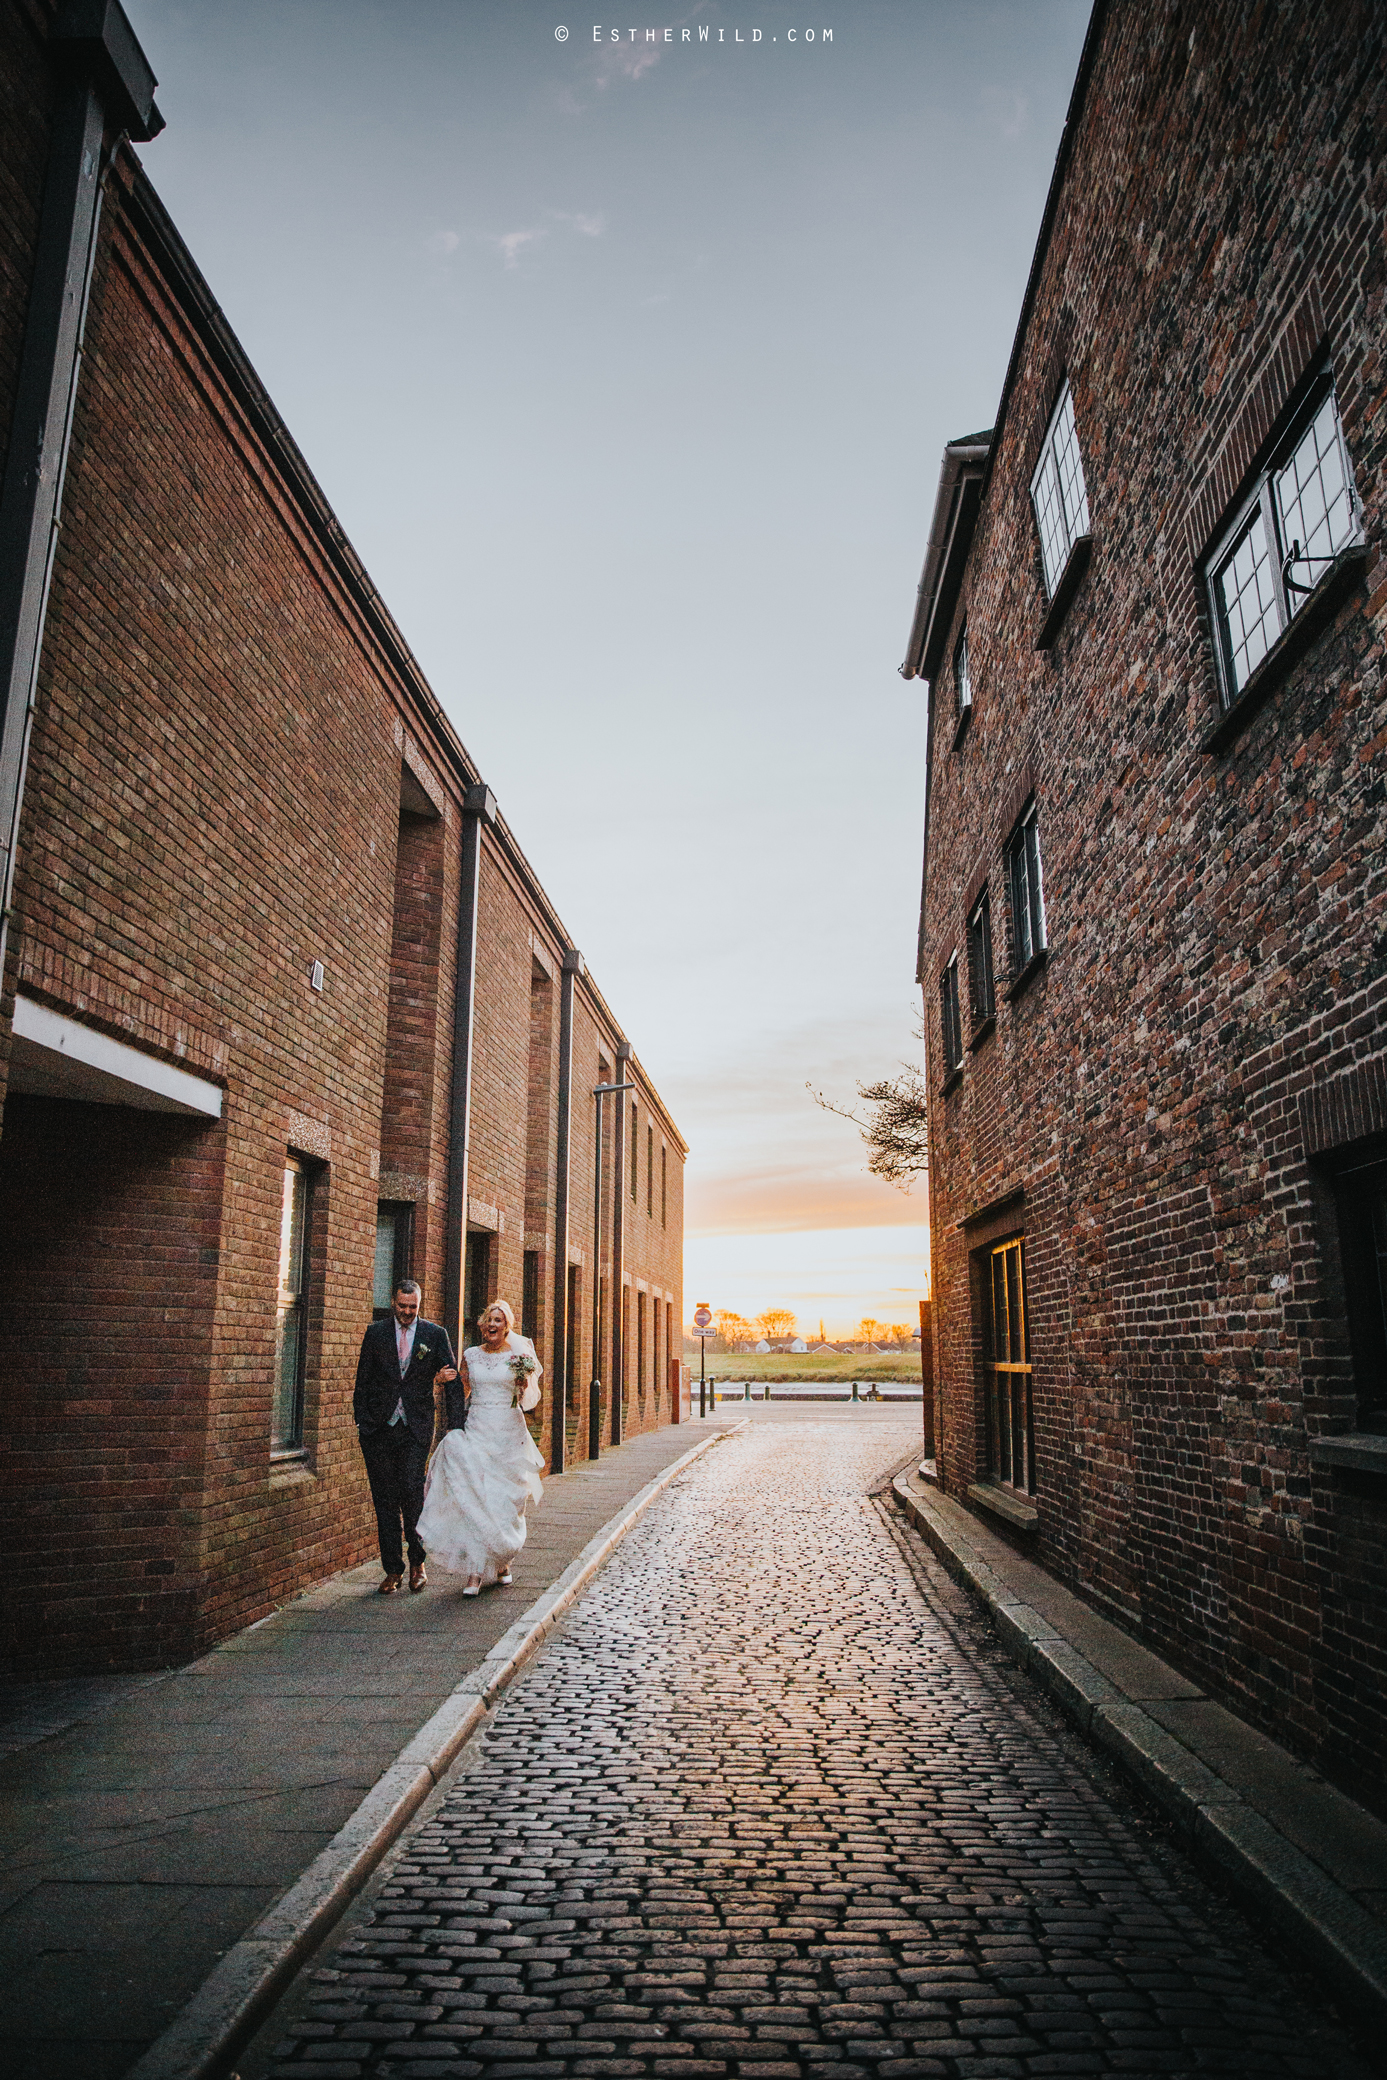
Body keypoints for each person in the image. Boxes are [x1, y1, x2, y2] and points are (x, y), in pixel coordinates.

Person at [416, 1298, 544, 1595]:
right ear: (482, 1324)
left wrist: (524, 1386)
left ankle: (501, 1562)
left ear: (506, 1326)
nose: (492, 1325)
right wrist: (439, 1383)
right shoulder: (471, 1356)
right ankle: (474, 1571)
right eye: (489, 1320)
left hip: (509, 1433)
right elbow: (460, 1391)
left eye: (498, 1321)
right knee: (477, 1497)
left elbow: (526, 1400)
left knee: (505, 1501)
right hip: (478, 1429)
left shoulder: (517, 1356)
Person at [353, 1278, 461, 1595]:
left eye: (413, 1308)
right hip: (378, 1430)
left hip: (415, 1428)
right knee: (384, 1500)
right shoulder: (375, 1334)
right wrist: (363, 1423)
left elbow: (452, 1378)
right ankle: (392, 1570)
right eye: (402, 1307)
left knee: (412, 1494)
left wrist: (456, 1427)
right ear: (393, 1303)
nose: (407, 1313)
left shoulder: (434, 1334)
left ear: (419, 1305)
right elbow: (363, 1380)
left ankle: (417, 1563)